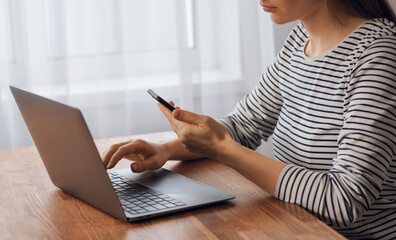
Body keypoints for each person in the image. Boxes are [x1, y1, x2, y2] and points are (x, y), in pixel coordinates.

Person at [102, 0, 396, 239]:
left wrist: (223, 149)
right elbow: (243, 126)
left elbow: (344, 201)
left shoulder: (378, 56)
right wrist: (166, 149)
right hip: (291, 224)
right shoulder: (299, 42)